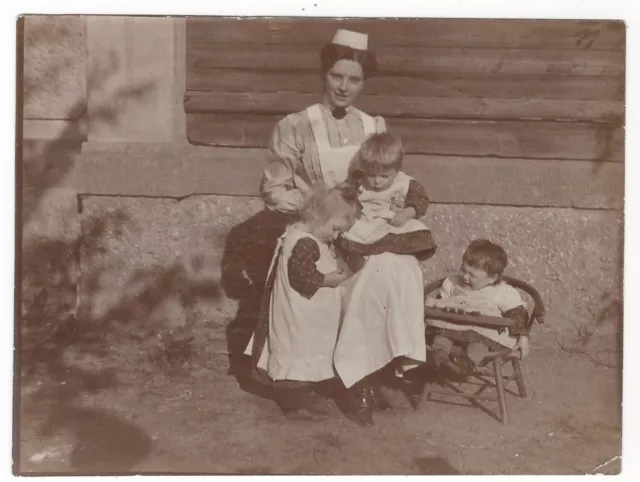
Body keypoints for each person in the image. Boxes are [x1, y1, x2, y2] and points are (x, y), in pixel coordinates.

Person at [254, 28, 427, 427]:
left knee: (397, 271)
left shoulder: (373, 125)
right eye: (337, 77)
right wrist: (317, 208)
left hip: (363, 227)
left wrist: (399, 204)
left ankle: (368, 370)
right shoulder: (296, 125)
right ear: (323, 75)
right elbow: (273, 188)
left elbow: (390, 175)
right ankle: (312, 385)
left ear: (364, 82)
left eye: (354, 79)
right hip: (317, 230)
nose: (344, 87)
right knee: (357, 278)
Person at [245, 185, 360, 421]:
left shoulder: (301, 235)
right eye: (336, 230)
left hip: (302, 311)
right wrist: (331, 279)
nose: (336, 236)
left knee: (304, 353)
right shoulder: (305, 243)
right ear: (319, 218)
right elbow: (303, 277)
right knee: (298, 352)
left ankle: (303, 394)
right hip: (299, 314)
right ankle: (295, 404)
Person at [425, 239, 530, 375]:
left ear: (492, 278)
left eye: (472, 275)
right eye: (463, 270)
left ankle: (465, 366)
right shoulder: (453, 283)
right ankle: (440, 359)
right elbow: (441, 304)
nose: (465, 277)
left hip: (481, 334)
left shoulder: (502, 292)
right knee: (441, 338)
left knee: (479, 346)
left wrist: (523, 338)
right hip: (451, 327)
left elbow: (518, 314)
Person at [337, 132, 436, 260]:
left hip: (391, 222)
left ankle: (387, 249)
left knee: (416, 231)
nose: (377, 181)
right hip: (366, 220)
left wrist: (406, 213)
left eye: (384, 176)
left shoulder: (405, 182)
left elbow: (420, 201)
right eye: (371, 175)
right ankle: (363, 251)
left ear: (396, 170)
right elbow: (343, 193)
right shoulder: (359, 181)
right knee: (348, 234)